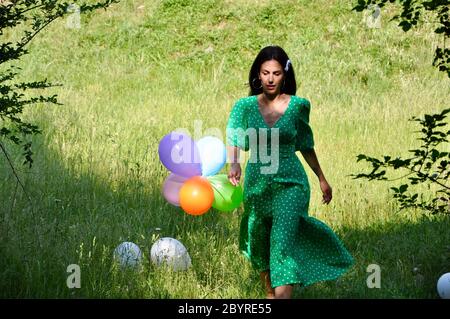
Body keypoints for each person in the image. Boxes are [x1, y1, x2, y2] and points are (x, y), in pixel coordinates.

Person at [226, 45, 354, 299]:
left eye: (276, 73)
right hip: (257, 184)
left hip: (291, 184)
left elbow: (306, 144)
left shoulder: (297, 106)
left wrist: (321, 178)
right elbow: (234, 137)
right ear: (258, 75)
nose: (270, 79)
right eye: (265, 73)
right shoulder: (245, 106)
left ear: (285, 75)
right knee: (260, 239)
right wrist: (234, 162)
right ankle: (270, 295)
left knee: (281, 246)